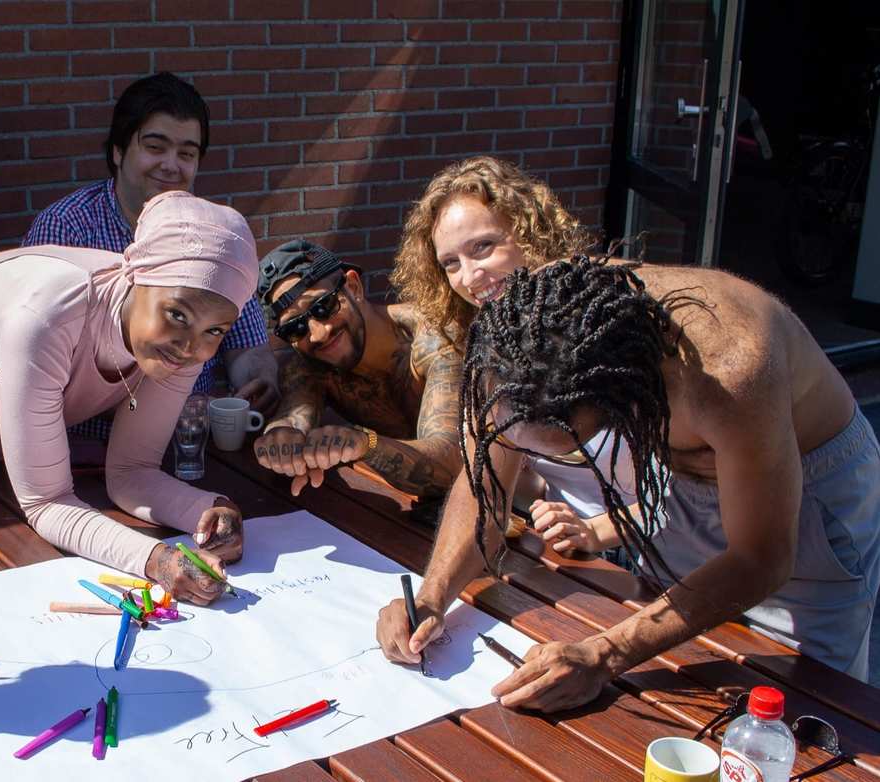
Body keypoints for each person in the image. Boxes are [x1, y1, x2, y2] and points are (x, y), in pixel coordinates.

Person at [375, 256, 880, 712]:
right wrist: (434, 597)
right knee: (692, 662)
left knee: (807, 707)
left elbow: (762, 559)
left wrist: (605, 652)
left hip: (811, 492)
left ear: (625, 395)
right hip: (684, 474)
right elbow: (485, 490)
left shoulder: (731, 365)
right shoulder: (521, 337)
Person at [0, 191, 259, 605]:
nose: (191, 347)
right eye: (177, 315)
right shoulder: (47, 316)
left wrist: (211, 510)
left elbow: (132, 472)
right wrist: (155, 560)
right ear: (137, 276)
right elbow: (46, 503)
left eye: (216, 331)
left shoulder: (180, 343)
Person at [392, 156, 639, 554]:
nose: (469, 278)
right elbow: (487, 485)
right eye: (451, 263)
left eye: (483, 247)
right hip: (578, 557)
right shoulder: (487, 345)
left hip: (693, 564)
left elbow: (691, 492)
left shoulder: (612, 319)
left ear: (530, 233)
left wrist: (597, 532)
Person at [23, 71, 278, 450]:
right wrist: (175, 409)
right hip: (80, 456)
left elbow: (248, 345)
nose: (171, 166)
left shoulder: (214, 238)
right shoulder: (66, 228)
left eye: (187, 154)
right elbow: (42, 376)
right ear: (118, 151)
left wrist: (258, 383)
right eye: (155, 147)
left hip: (189, 451)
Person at [250, 239, 463, 499]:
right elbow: (293, 419)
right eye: (295, 328)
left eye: (323, 307)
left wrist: (366, 443)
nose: (318, 334)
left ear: (353, 286)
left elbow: (453, 467)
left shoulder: (437, 341)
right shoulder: (312, 364)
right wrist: (280, 440)